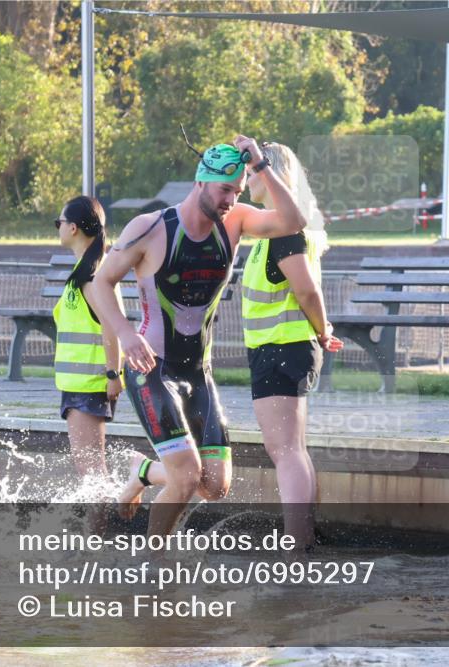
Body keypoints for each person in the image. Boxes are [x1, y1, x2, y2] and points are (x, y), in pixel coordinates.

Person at [87, 135, 308, 538]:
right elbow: (100, 284)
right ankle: (156, 566)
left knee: (214, 485)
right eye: (225, 189)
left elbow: (294, 222)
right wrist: (124, 334)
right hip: (150, 367)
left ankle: (142, 472)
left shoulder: (236, 221)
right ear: (201, 181)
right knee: (186, 478)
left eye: (238, 191)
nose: (230, 199)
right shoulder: (150, 228)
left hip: (198, 373)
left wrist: (260, 165)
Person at [241, 142, 343, 552]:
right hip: (279, 348)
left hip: (282, 347)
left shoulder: (284, 233)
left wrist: (321, 329)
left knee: (285, 451)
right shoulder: (273, 231)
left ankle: (296, 545)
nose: (246, 181)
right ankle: (303, 538)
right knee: (290, 449)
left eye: (250, 173)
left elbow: (307, 289)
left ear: (270, 174)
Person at [52, 195, 123, 491]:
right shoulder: (84, 270)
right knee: (91, 473)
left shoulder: (92, 276)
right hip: (80, 385)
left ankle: (97, 538)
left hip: (88, 385)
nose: (57, 227)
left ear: (74, 228)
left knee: (92, 475)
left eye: (60, 222)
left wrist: (112, 374)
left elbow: (112, 326)